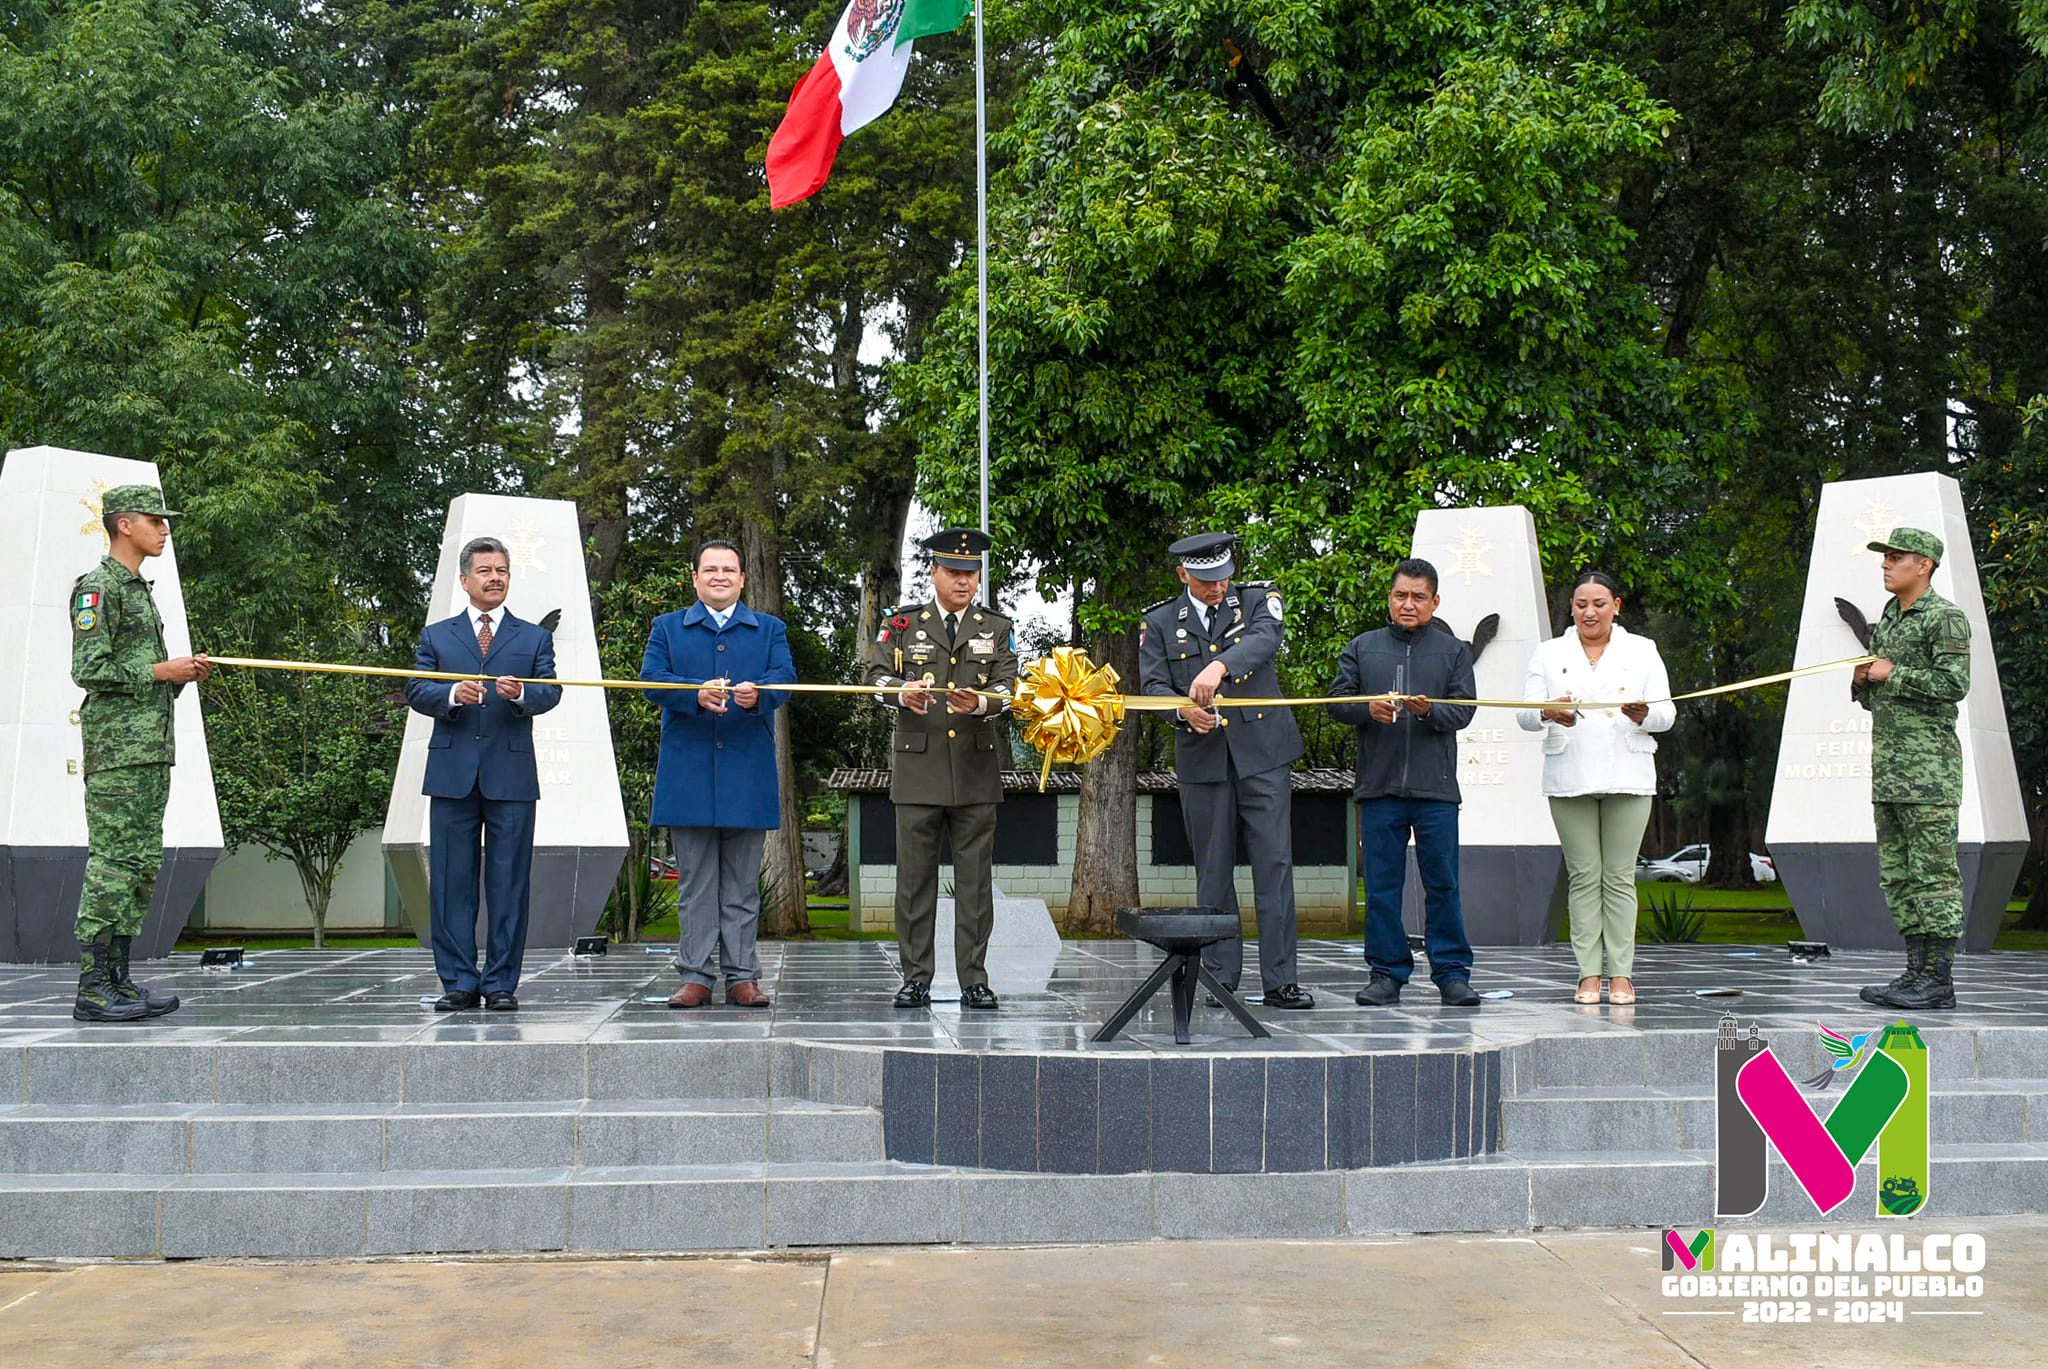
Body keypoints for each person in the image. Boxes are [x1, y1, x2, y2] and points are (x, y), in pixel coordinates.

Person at [1138, 532, 1313, 1009]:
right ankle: (1219, 976)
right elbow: (1152, 685)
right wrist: (1181, 712)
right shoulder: (1158, 622)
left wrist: (1217, 668)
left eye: (1223, 577)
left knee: (1273, 865)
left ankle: (1281, 981)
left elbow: (1264, 640)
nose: (1218, 588)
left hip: (1263, 753)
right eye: (1206, 580)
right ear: (1183, 575)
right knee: (1212, 872)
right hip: (1204, 759)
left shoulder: (1258, 600)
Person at [68, 484, 211, 1022]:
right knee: (111, 865)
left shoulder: (137, 589)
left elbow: (140, 681)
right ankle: (91, 986)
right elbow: (88, 670)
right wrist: (160, 670)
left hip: (149, 749)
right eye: (155, 520)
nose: (164, 529)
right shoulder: (98, 589)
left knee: (139, 864)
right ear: (124, 524)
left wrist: (178, 677)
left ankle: (118, 980)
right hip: (118, 754)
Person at [403, 537, 562, 1012]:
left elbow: (550, 692)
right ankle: (457, 981)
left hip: (511, 775)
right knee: (452, 880)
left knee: (509, 881)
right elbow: (416, 689)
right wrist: (452, 694)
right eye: (486, 570)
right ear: (465, 579)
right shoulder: (438, 635)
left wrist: (518, 696)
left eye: (503, 571)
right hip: (452, 774)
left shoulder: (534, 637)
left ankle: (500, 984)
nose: (495, 577)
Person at [862, 528, 1018, 1009]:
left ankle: (974, 977)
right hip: (918, 770)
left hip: (975, 770)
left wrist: (981, 705)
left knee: (975, 885)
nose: (964, 581)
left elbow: (1010, 685)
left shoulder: (996, 626)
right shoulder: (903, 624)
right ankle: (916, 978)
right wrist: (899, 693)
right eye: (954, 572)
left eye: (971, 574)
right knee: (914, 884)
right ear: (933, 573)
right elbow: (874, 677)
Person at [640, 540, 797, 1009]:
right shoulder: (667, 627)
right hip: (688, 774)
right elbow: (651, 678)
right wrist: (693, 694)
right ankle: (694, 976)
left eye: (729, 569)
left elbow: (785, 677)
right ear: (695, 578)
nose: (720, 576)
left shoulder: (769, 628)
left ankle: (743, 976)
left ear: (743, 578)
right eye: (711, 569)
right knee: (695, 886)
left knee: (742, 886)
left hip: (746, 775)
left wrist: (760, 695)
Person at [1327, 558, 1481, 1007]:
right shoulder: (1363, 647)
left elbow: (1465, 709)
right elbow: (1337, 701)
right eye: (1400, 596)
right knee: (1381, 887)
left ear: (1434, 602)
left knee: (1444, 884)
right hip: (1379, 788)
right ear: (1389, 599)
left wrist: (1427, 711)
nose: (1408, 604)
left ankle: (1452, 973)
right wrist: (1365, 709)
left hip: (1436, 791)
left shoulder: (1452, 652)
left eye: (1418, 597)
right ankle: (1386, 973)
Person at [1516, 571, 1675, 1006]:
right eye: (1581, 603)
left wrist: (1643, 714)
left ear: (1616, 606)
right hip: (1570, 774)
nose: (1590, 612)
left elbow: (1667, 714)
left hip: (1628, 772)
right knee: (1585, 875)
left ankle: (1621, 975)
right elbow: (1525, 715)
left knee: (1620, 876)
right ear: (1571, 608)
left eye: (1599, 603)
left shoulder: (1643, 650)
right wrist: (1549, 712)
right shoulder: (1549, 653)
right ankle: (1588, 974)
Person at [1854, 528, 1972, 1011]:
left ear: (1923, 565)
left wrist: (1891, 673)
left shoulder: (1945, 618)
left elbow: (1954, 683)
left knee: (1934, 876)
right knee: (1899, 876)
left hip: (1930, 774)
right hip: (1891, 771)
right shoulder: (1888, 618)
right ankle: (1915, 971)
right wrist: (1862, 679)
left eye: (1895, 557)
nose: (1886, 564)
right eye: (1885, 557)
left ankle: (1938, 977)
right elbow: (1874, 697)